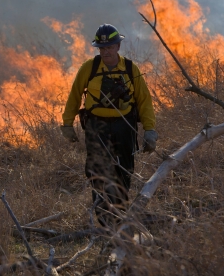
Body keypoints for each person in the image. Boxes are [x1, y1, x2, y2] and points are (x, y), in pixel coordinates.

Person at [60, 23, 158, 227]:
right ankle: (104, 219)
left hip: (124, 125)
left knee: (124, 169)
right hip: (97, 126)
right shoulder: (90, 67)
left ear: (118, 47)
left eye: (109, 47)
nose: (105, 51)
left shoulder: (131, 69)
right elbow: (75, 95)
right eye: (102, 48)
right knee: (97, 170)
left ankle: (121, 213)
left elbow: (144, 101)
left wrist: (150, 130)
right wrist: (67, 124)